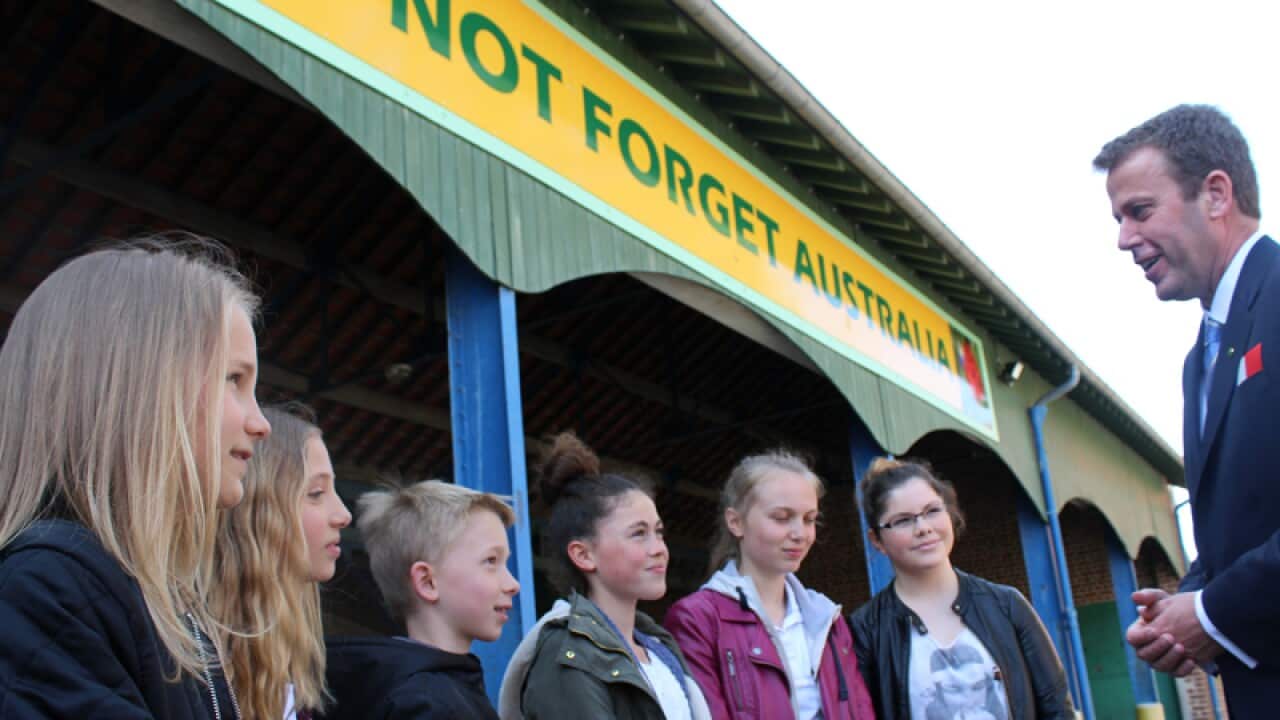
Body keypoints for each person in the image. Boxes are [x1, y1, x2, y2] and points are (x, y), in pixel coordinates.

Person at [0, 240, 271, 718]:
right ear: (140, 387)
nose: (260, 422)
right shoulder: (50, 590)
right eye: (234, 380)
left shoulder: (160, 601)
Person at [1095, 103, 1279, 714]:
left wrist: (1210, 612)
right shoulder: (1201, 358)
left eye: (1140, 211)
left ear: (1216, 195)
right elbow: (1249, 515)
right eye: (1119, 218)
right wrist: (1186, 608)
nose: (1123, 238)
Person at [499, 432, 711, 720]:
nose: (659, 548)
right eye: (638, 534)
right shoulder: (567, 655)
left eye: (658, 532)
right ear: (584, 555)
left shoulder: (660, 650)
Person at [848, 458, 1071, 720]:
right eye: (903, 520)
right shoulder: (865, 631)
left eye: (932, 511)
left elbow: (1057, 708)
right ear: (877, 540)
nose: (924, 528)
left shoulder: (1007, 605)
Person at [664, 450, 875, 720]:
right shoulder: (696, 619)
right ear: (736, 522)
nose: (800, 534)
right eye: (781, 517)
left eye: (809, 519)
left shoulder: (828, 619)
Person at [322, 479, 519, 719]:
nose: (513, 585)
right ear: (427, 582)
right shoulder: (428, 705)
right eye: (491, 561)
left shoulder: (434, 690)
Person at [211, 404, 352, 720]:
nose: (343, 515)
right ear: (258, 511)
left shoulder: (292, 675)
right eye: (316, 493)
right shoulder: (202, 672)